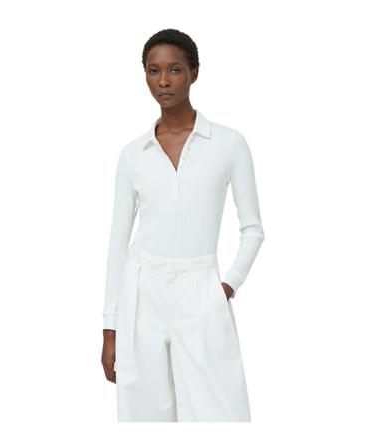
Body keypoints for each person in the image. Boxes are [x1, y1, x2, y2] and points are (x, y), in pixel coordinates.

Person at [101, 28, 265, 422]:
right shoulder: (133, 154)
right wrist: (110, 327)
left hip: (201, 289)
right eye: (153, 70)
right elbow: (118, 245)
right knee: (144, 415)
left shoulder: (228, 143)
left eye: (174, 69)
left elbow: (253, 229)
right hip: (142, 293)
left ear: (194, 72)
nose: (163, 81)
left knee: (220, 411)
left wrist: (227, 286)